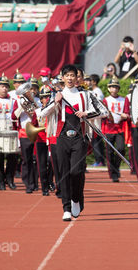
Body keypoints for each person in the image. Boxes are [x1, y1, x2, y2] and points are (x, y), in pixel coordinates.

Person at [37, 64, 105, 221]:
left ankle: (76, 198)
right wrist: (55, 102)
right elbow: (42, 113)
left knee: (76, 172)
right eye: (66, 75)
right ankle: (66, 207)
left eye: (72, 75)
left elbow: (103, 111)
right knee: (63, 173)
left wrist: (86, 113)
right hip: (61, 138)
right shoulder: (57, 94)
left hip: (79, 138)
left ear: (77, 78)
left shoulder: (85, 95)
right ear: (62, 78)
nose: (69, 78)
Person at [101, 76, 130, 183]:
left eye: (116, 87)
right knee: (109, 152)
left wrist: (125, 115)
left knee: (121, 149)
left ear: (118, 89)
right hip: (108, 129)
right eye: (112, 87)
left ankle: (116, 168)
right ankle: (113, 174)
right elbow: (103, 114)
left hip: (120, 129)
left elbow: (127, 113)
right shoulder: (105, 100)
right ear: (108, 89)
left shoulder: (124, 99)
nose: (114, 89)